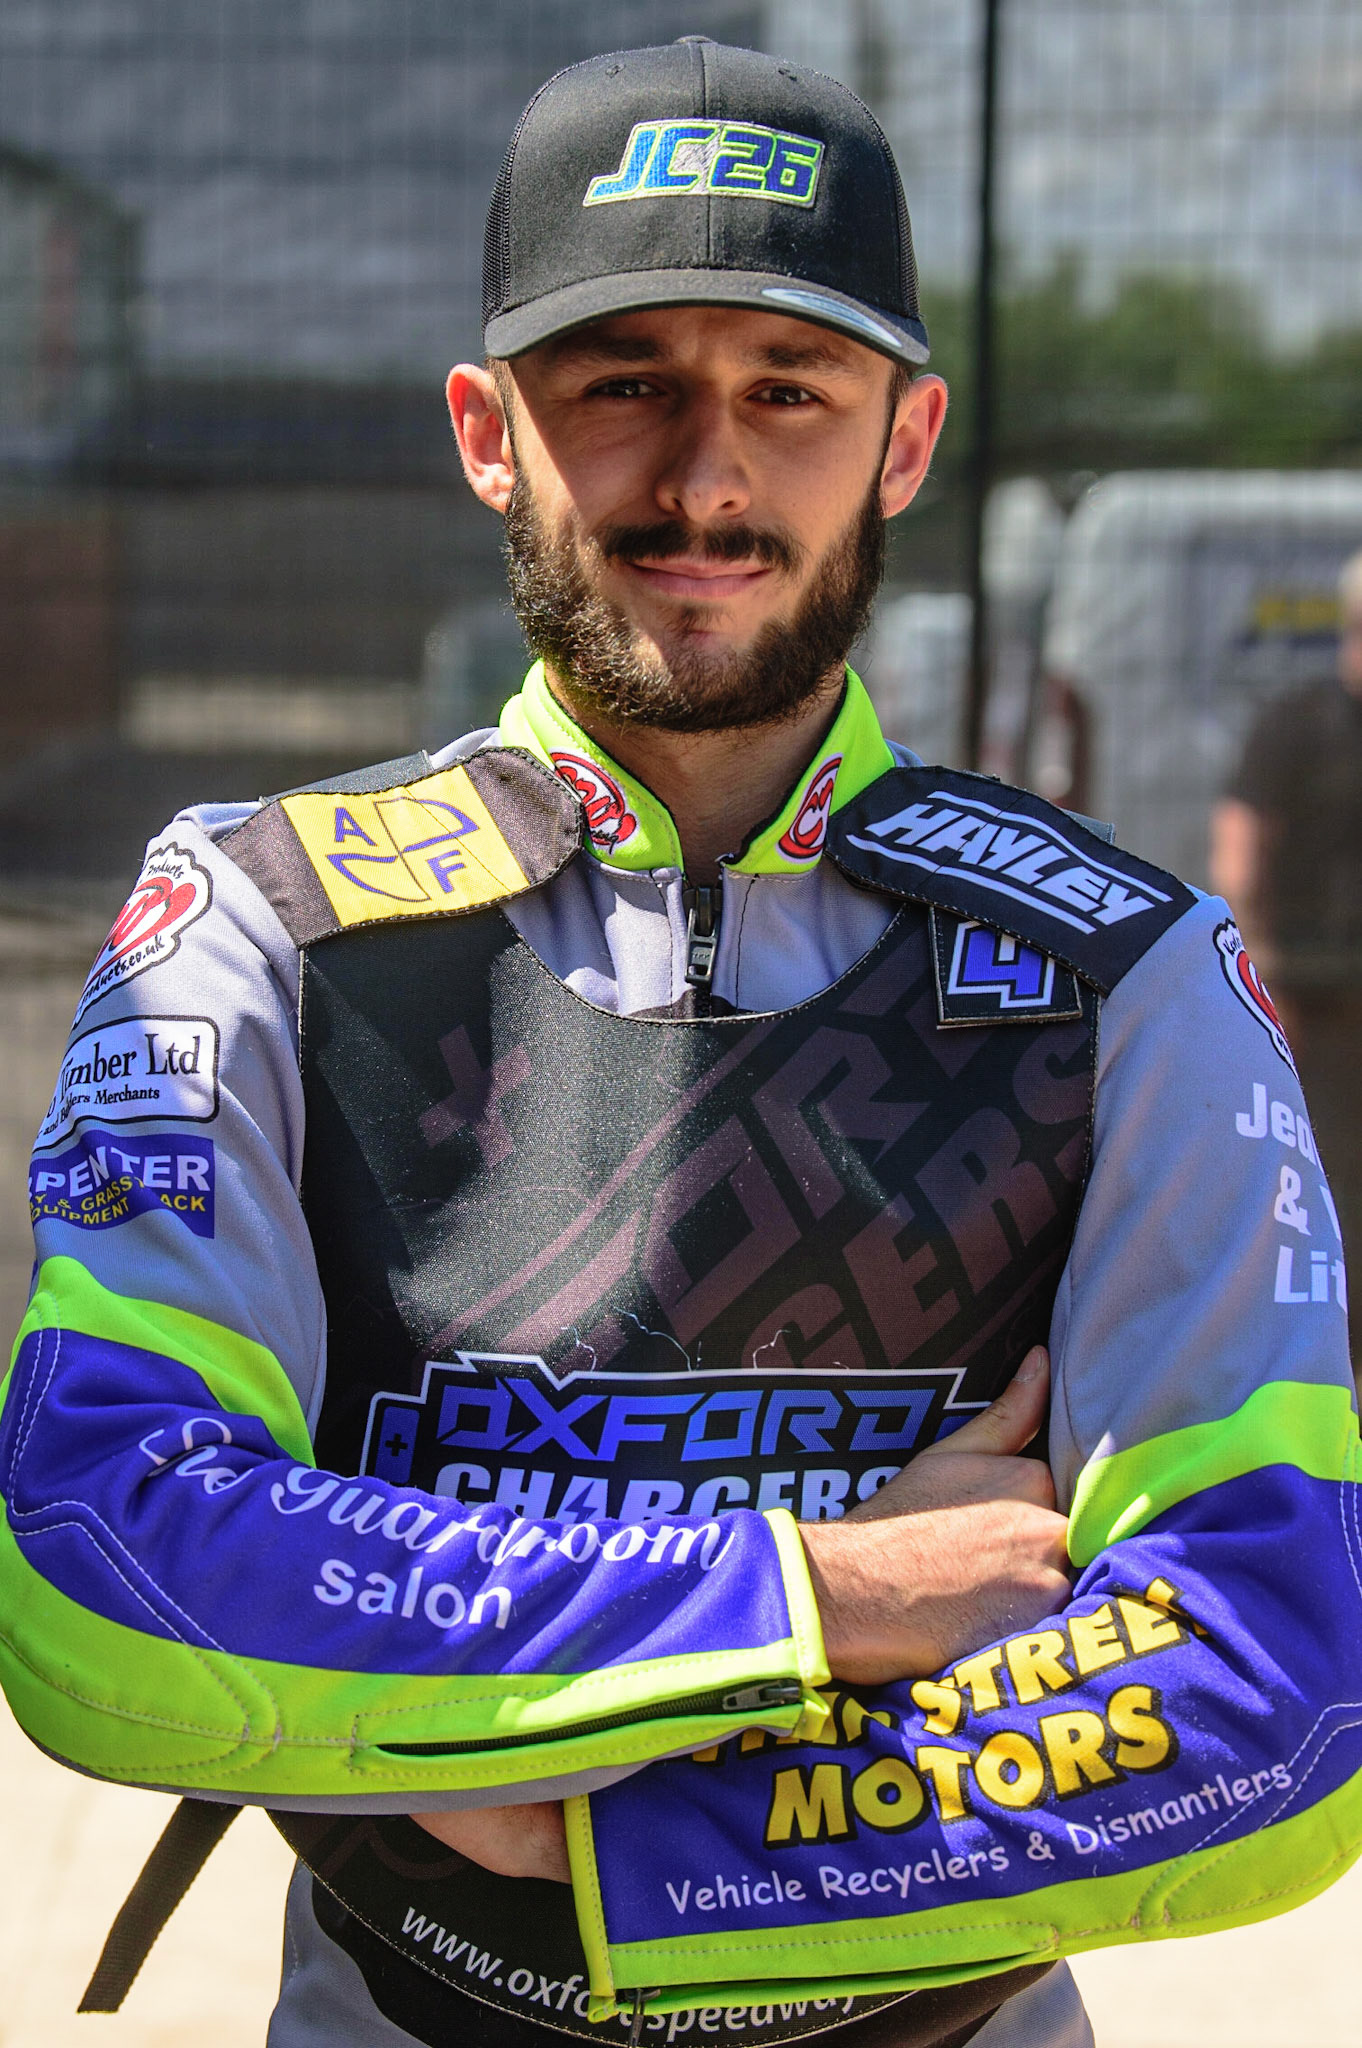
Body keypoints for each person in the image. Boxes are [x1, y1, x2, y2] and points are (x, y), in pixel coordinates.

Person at [3, 38, 1360, 2048]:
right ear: (490, 430)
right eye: (622, 382)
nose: (706, 478)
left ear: (904, 444)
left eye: (787, 393)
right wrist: (817, 1601)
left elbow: (1278, 1688)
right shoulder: (257, 921)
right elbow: (108, 1561)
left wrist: (568, 1816)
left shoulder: (1131, 971)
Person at [1211, 546, 1362, 1361]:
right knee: (1326, 1182)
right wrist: (1259, 974)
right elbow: (1241, 848)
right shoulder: (1299, 724)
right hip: (1313, 999)